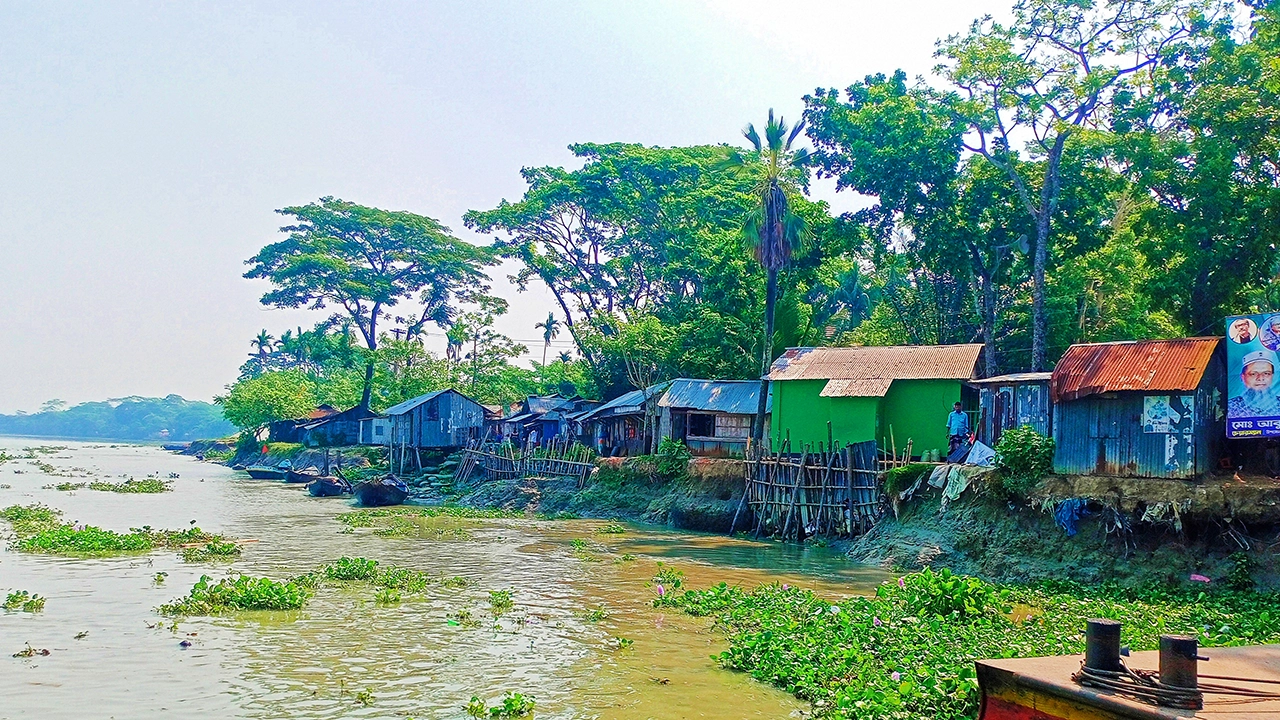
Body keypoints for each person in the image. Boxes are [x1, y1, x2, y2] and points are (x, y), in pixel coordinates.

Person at [1228, 349, 1280, 418]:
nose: (1260, 378)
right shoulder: (1231, 407)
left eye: (1266, 373)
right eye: (1253, 374)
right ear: (1243, 377)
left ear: (1272, 376)